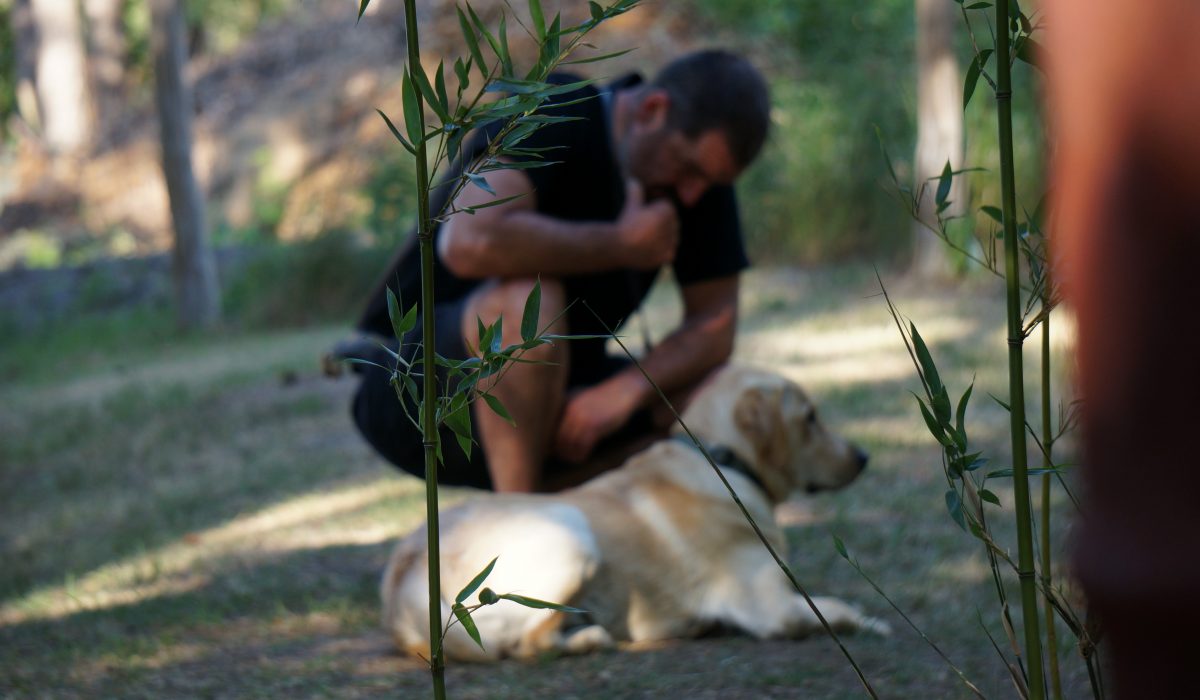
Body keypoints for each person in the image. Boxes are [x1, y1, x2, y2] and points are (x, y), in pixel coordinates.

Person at [347, 49, 771, 493]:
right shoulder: (556, 107)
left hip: (558, 399)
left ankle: (598, 530)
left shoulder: (697, 183)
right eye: (688, 168)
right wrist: (622, 245)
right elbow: (469, 242)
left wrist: (622, 393)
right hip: (418, 392)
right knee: (530, 306)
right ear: (652, 109)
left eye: (709, 182)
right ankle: (525, 529)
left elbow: (715, 325)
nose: (692, 194)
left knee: (718, 393)